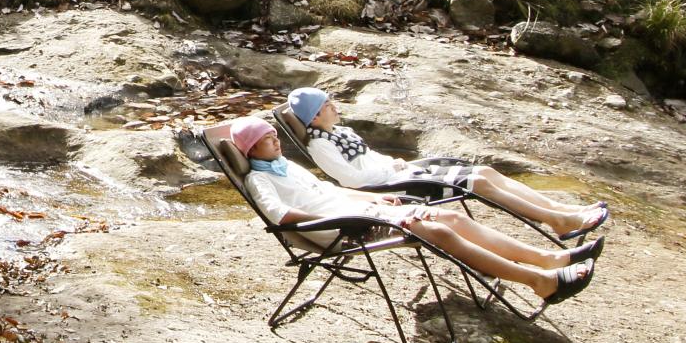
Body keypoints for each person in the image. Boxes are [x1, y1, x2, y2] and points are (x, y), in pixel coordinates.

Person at [226, 117, 600, 304]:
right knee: (436, 231)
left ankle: (550, 258)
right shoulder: (260, 181)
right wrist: (350, 216)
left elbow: (330, 189)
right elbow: (280, 217)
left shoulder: (288, 166)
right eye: (266, 140)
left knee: (452, 217)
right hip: (341, 229)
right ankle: (539, 281)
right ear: (250, 150)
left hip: (358, 214)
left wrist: (370, 200)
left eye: (275, 136)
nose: (275, 141)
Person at [284, 87, 608, 240]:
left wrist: (393, 161)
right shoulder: (321, 145)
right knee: (478, 184)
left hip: (399, 171)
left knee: (484, 171)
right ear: (314, 115)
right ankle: (556, 220)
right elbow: (352, 180)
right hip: (391, 185)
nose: (334, 106)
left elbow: (371, 157)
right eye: (327, 104)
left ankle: (562, 211)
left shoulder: (340, 131)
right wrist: (392, 169)